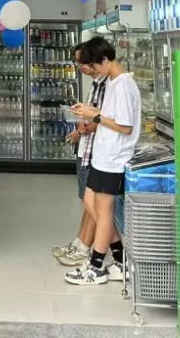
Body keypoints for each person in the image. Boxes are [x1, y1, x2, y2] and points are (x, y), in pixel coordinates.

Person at [65, 36, 141, 286]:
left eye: (94, 65)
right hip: (103, 155)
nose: (93, 70)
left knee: (104, 211)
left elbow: (125, 126)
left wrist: (95, 116)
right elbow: (111, 116)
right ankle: (119, 260)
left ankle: (96, 267)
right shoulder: (113, 81)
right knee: (91, 203)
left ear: (105, 59)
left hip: (114, 157)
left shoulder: (123, 85)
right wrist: (91, 111)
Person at [52, 43, 109, 268]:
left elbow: (103, 119)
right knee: (88, 202)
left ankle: (92, 250)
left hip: (97, 151)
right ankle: (80, 243)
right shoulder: (97, 84)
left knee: (93, 204)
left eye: (85, 61)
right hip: (89, 150)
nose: (82, 66)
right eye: (78, 61)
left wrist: (82, 127)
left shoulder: (110, 85)